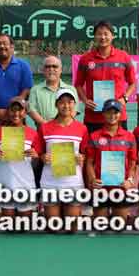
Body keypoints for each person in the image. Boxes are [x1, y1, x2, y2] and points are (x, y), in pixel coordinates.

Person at [75, 21, 136, 133]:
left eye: (106, 34)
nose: (102, 37)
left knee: (119, 149)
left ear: (112, 36)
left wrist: (125, 98)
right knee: (92, 149)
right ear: (94, 37)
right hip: (93, 117)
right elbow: (78, 84)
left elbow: (133, 82)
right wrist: (85, 100)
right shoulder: (85, 59)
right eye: (99, 34)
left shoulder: (124, 57)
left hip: (117, 115)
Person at [38, 88, 88, 224]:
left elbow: (85, 154)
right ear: (56, 105)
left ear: (74, 104)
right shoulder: (45, 127)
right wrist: (43, 157)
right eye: (62, 102)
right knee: (53, 226)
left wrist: (81, 158)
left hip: (73, 182)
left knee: (72, 227)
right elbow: (39, 152)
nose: (66, 106)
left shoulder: (82, 128)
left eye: (70, 102)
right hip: (50, 182)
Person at [85, 99, 137, 219]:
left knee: (119, 225)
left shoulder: (129, 137)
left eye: (116, 112)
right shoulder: (94, 136)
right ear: (103, 113)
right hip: (100, 188)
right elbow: (89, 162)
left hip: (121, 187)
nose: (112, 115)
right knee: (100, 225)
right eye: (109, 112)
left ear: (120, 114)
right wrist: (93, 179)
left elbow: (133, 162)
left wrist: (129, 180)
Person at [0, 97, 42, 217]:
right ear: (8, 112)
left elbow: (37, 162)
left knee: (23, 227)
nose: (16, 113)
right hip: (6, 183)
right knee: (9, 227)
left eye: (20, 110)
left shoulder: (33, 133)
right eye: (13, 110)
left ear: (25, 113)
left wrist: (35, 156)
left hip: (26, 184)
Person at [28, 55, 77, 128]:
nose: (51, 69)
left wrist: (60, 126)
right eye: (48, 66)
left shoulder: (71, 89)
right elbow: (32, 111)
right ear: (43, 70)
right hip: (43, 131)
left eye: (55, 66)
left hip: (65, 131)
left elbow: (73, 111)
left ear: (61, 70)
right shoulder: (35, 90)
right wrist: (48, 126)